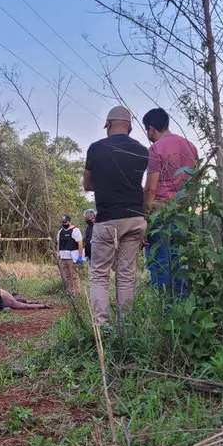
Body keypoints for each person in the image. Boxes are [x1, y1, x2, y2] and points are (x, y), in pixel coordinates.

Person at [83, 106, 149, 326]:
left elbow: (87, 184)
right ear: (129, 128)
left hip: (108, 219)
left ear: (108, 125)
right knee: (126, 275)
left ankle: (101, 328)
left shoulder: (96, 148)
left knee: (100, 275)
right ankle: (126, 327)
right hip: (136, 218)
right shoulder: (141, 150)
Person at [142, 107, 198, 296]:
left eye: (147, 131)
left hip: (161, 215)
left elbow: (150, 188)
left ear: (151, 128)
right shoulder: (191, 147)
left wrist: (146, 220)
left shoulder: (155, 149)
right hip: (183, 214)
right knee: (179, 261)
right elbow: (194, 184)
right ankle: (181, 306)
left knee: (160, 262)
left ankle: (165, 309)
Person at [56, 214, 84, 297]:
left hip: (72, 258)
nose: (64, 224)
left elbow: (80, 243)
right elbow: (58, 244)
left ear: (69, 221)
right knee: (67, 276)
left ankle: (77, 293)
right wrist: (58, 254)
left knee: (74, 275)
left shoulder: (75, 230)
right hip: (63, 257)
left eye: (65, 222)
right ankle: (69, 292)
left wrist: (80, 256)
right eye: (62, 222)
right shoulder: (60, 232)